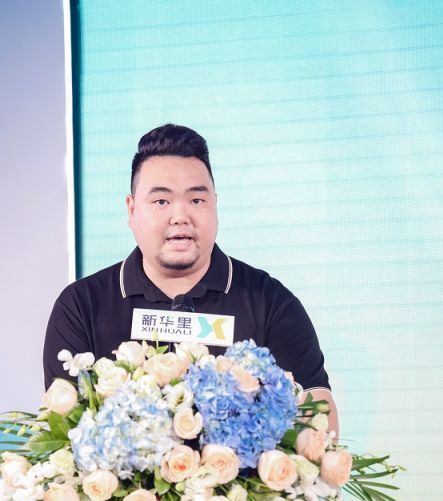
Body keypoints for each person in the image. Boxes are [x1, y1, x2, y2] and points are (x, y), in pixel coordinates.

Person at [43, 124, 339, 435]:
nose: (180, 216)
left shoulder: (271, 303)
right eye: (161, 201)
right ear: (131, 210)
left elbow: (317, 414)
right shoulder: (81, 306)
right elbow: (65, 429)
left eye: (197, 200)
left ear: (215, 205)